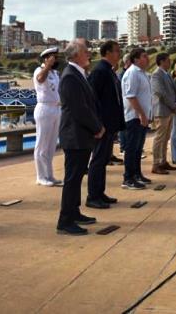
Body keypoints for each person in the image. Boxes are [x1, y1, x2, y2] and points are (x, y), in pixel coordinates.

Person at [56, 39, 103, 235]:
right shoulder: (70, 76)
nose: (89, 54)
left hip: (81, 135)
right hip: (75, 135)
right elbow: (78, 108)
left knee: (76, 178)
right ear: (75, 55)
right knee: (72, 179)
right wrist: (96, 127)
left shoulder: (78, 74)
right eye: (85, 51)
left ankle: (74, 212)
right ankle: (65, 221)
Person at [86, 40, 126, 208]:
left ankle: (100, 192)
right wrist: (97, 124)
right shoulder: (100, 72)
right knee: (97, 160)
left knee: (103, 160)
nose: (119, 54)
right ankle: (93, 196)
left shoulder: (108, 71)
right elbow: (92, 99)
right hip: (102, 125)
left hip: (109, 124)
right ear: (107, 53)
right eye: (117, 51)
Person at [121, 48, 152, 189]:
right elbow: (131, 96)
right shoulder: (133, 73)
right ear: (136, 59)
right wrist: (141, 114)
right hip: (134, 117)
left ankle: (137, 174)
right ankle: (128, 178)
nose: (147, 59)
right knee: (131, 148)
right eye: (144, 56)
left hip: (142, 117)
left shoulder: (142, 73)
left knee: (138, 148)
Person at [32, 47, 62, 187]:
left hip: (56, 108)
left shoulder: (55, 73)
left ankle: (49, 175)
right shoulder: (40, 70)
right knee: (42, 144)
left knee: (51, 145)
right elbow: (40, 79)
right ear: (46, 58)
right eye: (54, 57)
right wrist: (47, 66)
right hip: (44, 108)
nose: (56, 60)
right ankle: (40, 176)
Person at [150, 52, 176, 175]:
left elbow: (172, 91)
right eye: (168, 60)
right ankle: (156, 164)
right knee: (159, 138)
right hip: (162, 111)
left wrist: (175, 104)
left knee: (166, 138)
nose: (170, 62)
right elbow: (161, 93)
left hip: (169, 110)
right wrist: (173, 105)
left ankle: (163, 161)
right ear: (161, 61)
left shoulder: (167, 74)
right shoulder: (156, 75)